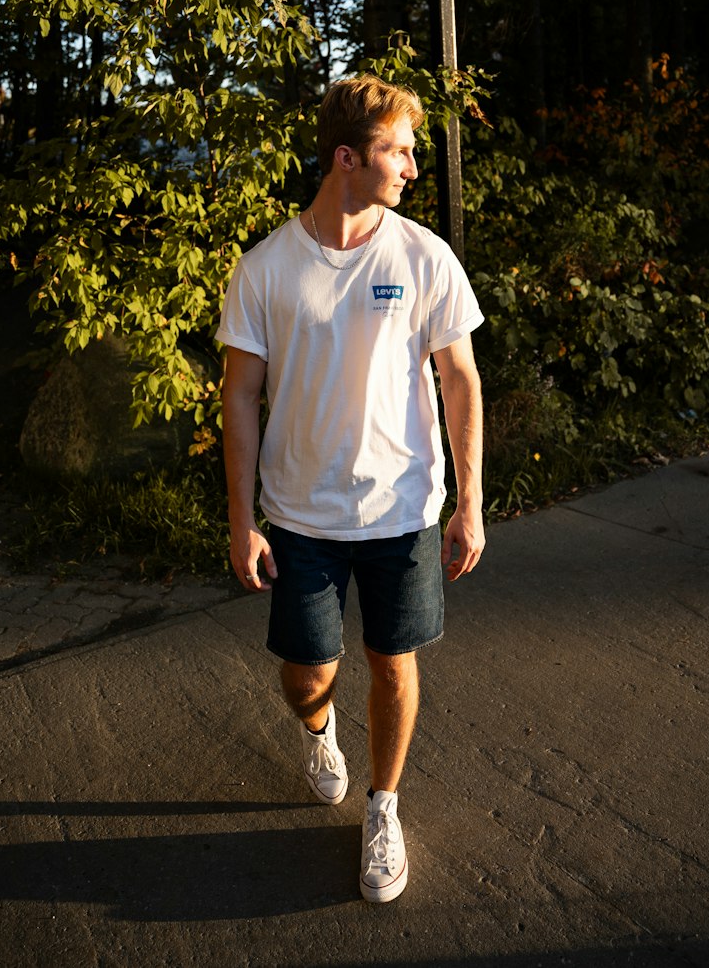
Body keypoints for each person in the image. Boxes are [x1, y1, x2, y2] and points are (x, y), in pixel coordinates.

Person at [216, 74, 484, 904]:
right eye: (397, 150)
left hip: (403, 511)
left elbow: (461, 381)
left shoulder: (423, 256)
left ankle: (384, 808)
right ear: (346, 158)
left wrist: (470, 500)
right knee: (306, 674)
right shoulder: (265, 269)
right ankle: (320, 731)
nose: (410, 165)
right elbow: (239, 397)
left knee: (392, 663)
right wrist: (240, 522)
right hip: (298, 517)